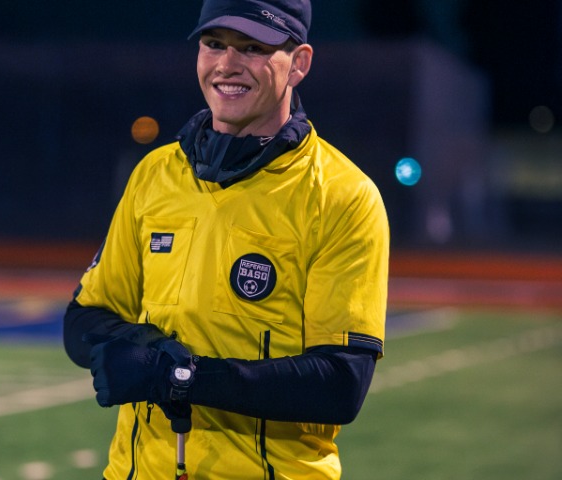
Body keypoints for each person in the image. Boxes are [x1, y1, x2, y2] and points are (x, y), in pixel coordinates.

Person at [63, 0, 389, 478]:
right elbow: (83, 320)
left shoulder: (342, 195)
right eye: (214, 44)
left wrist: (182, 378)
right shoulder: (154, 174)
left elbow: (341, 384)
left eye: (253, 47)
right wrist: (144, 347)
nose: (227, 64)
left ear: (299, 63)